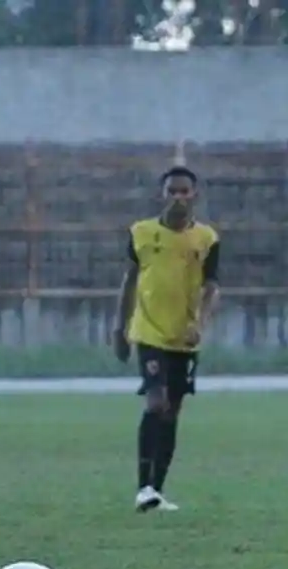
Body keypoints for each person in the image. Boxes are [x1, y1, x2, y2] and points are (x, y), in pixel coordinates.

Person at [113, 166, 219, 512]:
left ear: (194, 195)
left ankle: (155, 492)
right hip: (149, 331)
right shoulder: (142, 233)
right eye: (172, 191)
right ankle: (143, 487)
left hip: (184, 338)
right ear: (162, 194)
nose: (178, 197)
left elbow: (211, 287)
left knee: (172, 412)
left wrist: (199, 323)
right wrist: (119, 328)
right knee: (156, 403)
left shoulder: (206, 239)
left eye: (184, 191)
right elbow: (130, 280)